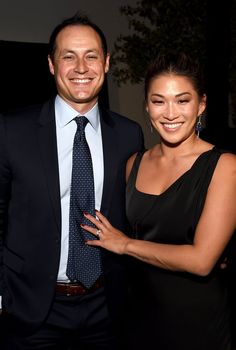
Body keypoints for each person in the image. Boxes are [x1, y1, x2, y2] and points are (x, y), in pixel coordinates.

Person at [0, 12, 144, 350]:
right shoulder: (11, 130)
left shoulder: (128, 135)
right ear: (52, 64)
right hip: (31, 310)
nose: (81, 67)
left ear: (106, 63)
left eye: (91, 55)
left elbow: (141, 215)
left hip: (107, 310)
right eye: (69, 56)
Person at [82, 52, 236, 350]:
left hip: (196, 324)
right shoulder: (133, 164)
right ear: (147, 106)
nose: (170, 113)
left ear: (201, 104)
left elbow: (202, 261)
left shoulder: (225, 166)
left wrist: (125, 244)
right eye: (158, 101)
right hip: (138, 318)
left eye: (182, 100)